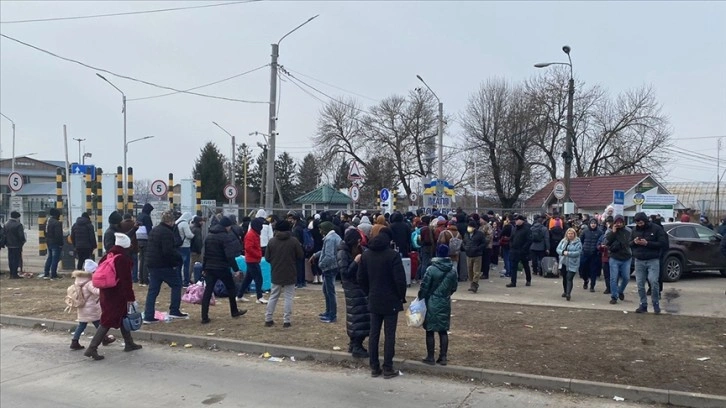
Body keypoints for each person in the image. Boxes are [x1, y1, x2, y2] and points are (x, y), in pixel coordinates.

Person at [358, 227, 407, 379]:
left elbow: (361, 278)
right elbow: (400, 280)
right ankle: (387, 367)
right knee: (389, 334)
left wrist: (368, 292)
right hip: (391, 299)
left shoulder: (366, 255)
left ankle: (374, 366)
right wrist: (401, 296)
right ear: (390, 240)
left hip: (374, 297)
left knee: (374, 333)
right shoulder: (393, 255)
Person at [84, 233, 141, 360]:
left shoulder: (107, 256)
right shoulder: (123, 259)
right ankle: (92, 348)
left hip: (106, 292)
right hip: (117, 294)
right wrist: (130, 297)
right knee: (107, 320)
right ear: (126, 246)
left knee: (122, 316)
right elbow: (126, 281)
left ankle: (129, 342)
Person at [143, 210, 188, 323]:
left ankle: (148, 315)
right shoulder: (167, 233)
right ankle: (174, 310)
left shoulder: (155, 230)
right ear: (170, 221)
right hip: (163, 265)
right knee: (177, 285)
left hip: (152, 264)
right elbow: (168, 251)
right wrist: (176, 262)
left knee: (153, 291)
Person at [200, 216, 246, 324]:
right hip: (222, 267)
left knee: (208, 291)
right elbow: (229, 256)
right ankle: (234, 311)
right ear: (227, 226)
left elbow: (205, 254)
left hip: (210, 268)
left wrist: (204, 268)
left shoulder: (209, 236)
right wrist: (236, 269)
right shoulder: (225, 237)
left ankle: (204, 316)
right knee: (231, 288)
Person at [418, 244, 457, 366]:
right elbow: (454, 287)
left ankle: (430, 357)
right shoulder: (452, 270)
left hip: (431, 301)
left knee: (430, 330)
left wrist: (421, 298)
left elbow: (425, 286)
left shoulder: (431, 269)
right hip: (444, 301)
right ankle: (443, 357)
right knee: (443, 330)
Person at [264, 220, 303, 328]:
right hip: (290, 271)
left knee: (273, 296)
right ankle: (286, 320)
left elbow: (267, 258)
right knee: (288, 297)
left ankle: (268, 318)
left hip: (276, 272)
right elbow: (300, 255)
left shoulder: (272, 241)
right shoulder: (293, 241)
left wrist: (275, 261)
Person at [337, 228, 370, 358]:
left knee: (359, 314)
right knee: (357, 314)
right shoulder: (343, 252)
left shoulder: (351, 250)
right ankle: (356, 345)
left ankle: (354, 343)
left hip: (357, 286)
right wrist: (356, 262)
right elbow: (345, 273)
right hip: (352, 287)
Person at [69, 260, 115, 350]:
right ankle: (104, 338)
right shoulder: (89, 282)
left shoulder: (79, 280)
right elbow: (97, 292)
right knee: (99, 323)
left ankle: (74, 341)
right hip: (91, 308)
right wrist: (105, 289)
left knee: (82, 325)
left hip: (82, 306)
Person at [630, 212, 668, 314]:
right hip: (639, 259)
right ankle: (643, 304)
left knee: (653, 281)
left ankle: (655, 303)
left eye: (641, 222)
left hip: (653, 259)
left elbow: (663, 243)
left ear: (645, 221)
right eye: (637, 223)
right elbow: (629, 244)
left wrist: (647, 243)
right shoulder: (634, 230)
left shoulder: (656, 229)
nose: (639, 225)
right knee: (640, 284)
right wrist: (634, 242)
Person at [313, 221, 342, 323]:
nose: (320, 231)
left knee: (330, 292)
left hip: (329, 268)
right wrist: (316, 255)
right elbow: (326, 251)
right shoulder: (335, 237)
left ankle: (332, 315)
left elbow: (329, 255)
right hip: (334, 266)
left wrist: (321, 264)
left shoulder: (329, 239)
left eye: (321, 229)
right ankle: (328, 311)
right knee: (327, 290)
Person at [237, 217, 268, 304]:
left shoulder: (254, 233)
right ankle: (259, 297)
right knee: (259, 278)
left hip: (253, 259)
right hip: (252, 260)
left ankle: (239, 295)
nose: (262, 226)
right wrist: (258, 254)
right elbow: (248, 248)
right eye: (261, 225)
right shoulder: (251, 234)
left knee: (248, 279)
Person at [606, 215, 632, 304]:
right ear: (614, 222)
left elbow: (630, 242)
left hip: (626, 257)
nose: (619, 224)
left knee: (626, 277)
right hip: (614, 257)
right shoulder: (610, 231)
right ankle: (614, 296)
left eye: (621, 222)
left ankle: (620, 291)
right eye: (617, 222)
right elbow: (607, 242)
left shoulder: (628, 231)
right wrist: (613, 232)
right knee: (613, 278)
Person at [506, 215, 532, 288]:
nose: (516, 221)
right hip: (514, 250)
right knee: (514, 267)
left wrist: (524, 249)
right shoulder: (514, 229)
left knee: (525, 265)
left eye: (517, 220)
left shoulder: (526, 229)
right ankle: (513, 282)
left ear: (522, 221)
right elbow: (511, 238)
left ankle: (528, 280)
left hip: (523, 251)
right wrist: (511, 245)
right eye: (515, 220)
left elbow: (529, 240)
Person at [556, 228, 582, 301]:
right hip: (563, 262)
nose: (570, 235)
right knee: (564, 277)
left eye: (571, 234)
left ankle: (568, 293)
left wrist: (569, 253)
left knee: (569, 278)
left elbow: (578, 252)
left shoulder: (578, 242)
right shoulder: (563, 241)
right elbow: (558, 249)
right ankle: (565, 291)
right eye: (569, 233)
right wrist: (562, 252)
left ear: (574, 234)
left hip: (573, 263)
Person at [579, 218, 603, 292]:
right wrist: (583, 248)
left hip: (595, 254)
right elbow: (580, 240)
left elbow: (601, 242)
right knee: (583, 270)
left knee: (593, 271)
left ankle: (592, 286)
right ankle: (585, 280)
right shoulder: (585, 231)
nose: (593, 225)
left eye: (594, 223)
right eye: (592, 223)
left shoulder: (600, 232)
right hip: (585, 253)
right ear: (589, 224)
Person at [463, 220, 486, 293]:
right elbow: (464, 242)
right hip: (468, 254)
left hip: (477, 255)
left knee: (476, 271)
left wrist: (478, 248)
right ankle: (471, 283)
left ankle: (474, 284)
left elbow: (483, 243)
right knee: (470, 270)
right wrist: (465, 247)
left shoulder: (480, 234)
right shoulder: (466, 234)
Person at [173, 212, 195, 287]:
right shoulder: (185, 224)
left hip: (178, 246)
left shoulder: (177, 222)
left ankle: (178, 280)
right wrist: (193, 235)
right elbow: (189, 235)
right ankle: (186, 281)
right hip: (185, 246)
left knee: (179, 265)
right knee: (186, 265)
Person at [43, 208, 64, 280]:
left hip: (48, 241)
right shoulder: (57, 223)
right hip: (55, 242)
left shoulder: (47, 221)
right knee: (55, 258)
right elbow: (58, 235)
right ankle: (53, 274)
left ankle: (46, 273)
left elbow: (44, 232)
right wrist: (61, 243)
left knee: (50, 257)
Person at [136, 203, 154, 286]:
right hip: (146, 241)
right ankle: (145, 280)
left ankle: (140, 279)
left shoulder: (139, 216)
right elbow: (149, 230)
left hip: (139, 240)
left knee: (141, 259)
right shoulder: (147, 217)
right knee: (146, 260)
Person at [3, 211, 26, 279]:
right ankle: (15, 274)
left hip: (9, 244)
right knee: (16, 259)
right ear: (17, 217)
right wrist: (23, 241)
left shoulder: (6, 224)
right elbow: (21, 236)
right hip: (17, 244)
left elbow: (4, 235)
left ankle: (11, 273)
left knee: (11, 259)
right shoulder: (18, 225)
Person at [118, 213, 139, 283]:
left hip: (125, 246)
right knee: (135, 262)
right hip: (134, 245)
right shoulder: (135, 224)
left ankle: (127, 276)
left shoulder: (121, 225)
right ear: (130, 217)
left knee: (126, 263)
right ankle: (134, 277)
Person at [189, 216, 204, 283]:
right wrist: (199, 250)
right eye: (201, 221)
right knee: (194, 265)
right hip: (196, 250)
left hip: (193, 249)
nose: (202, 222)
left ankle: (191, 278)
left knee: (193, 264)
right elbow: (198, 241)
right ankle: (190, 278)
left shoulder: (193, 228)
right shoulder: (197, 230)